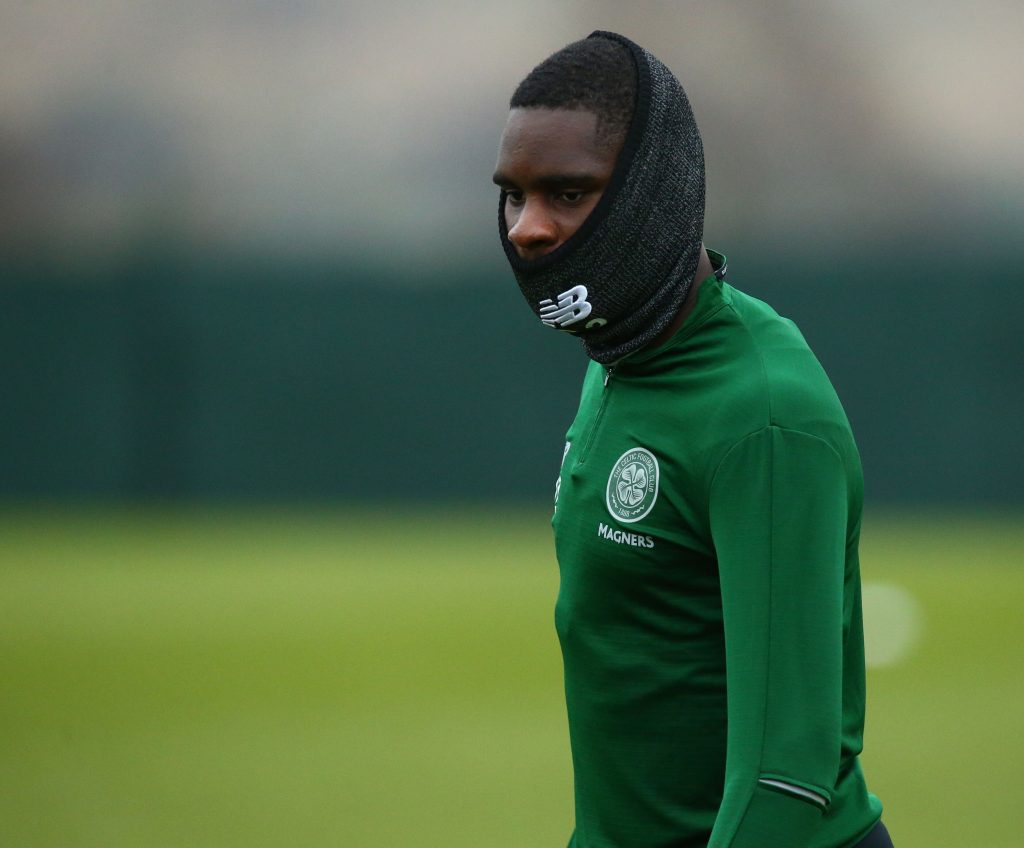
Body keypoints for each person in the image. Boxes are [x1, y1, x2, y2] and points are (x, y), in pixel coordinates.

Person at [492, 31, 894, 848]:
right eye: (513, 195)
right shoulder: (621, 354)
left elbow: (786, 777)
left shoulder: (765, 416)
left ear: (653, 188)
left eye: (567, 192)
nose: (527, 228)